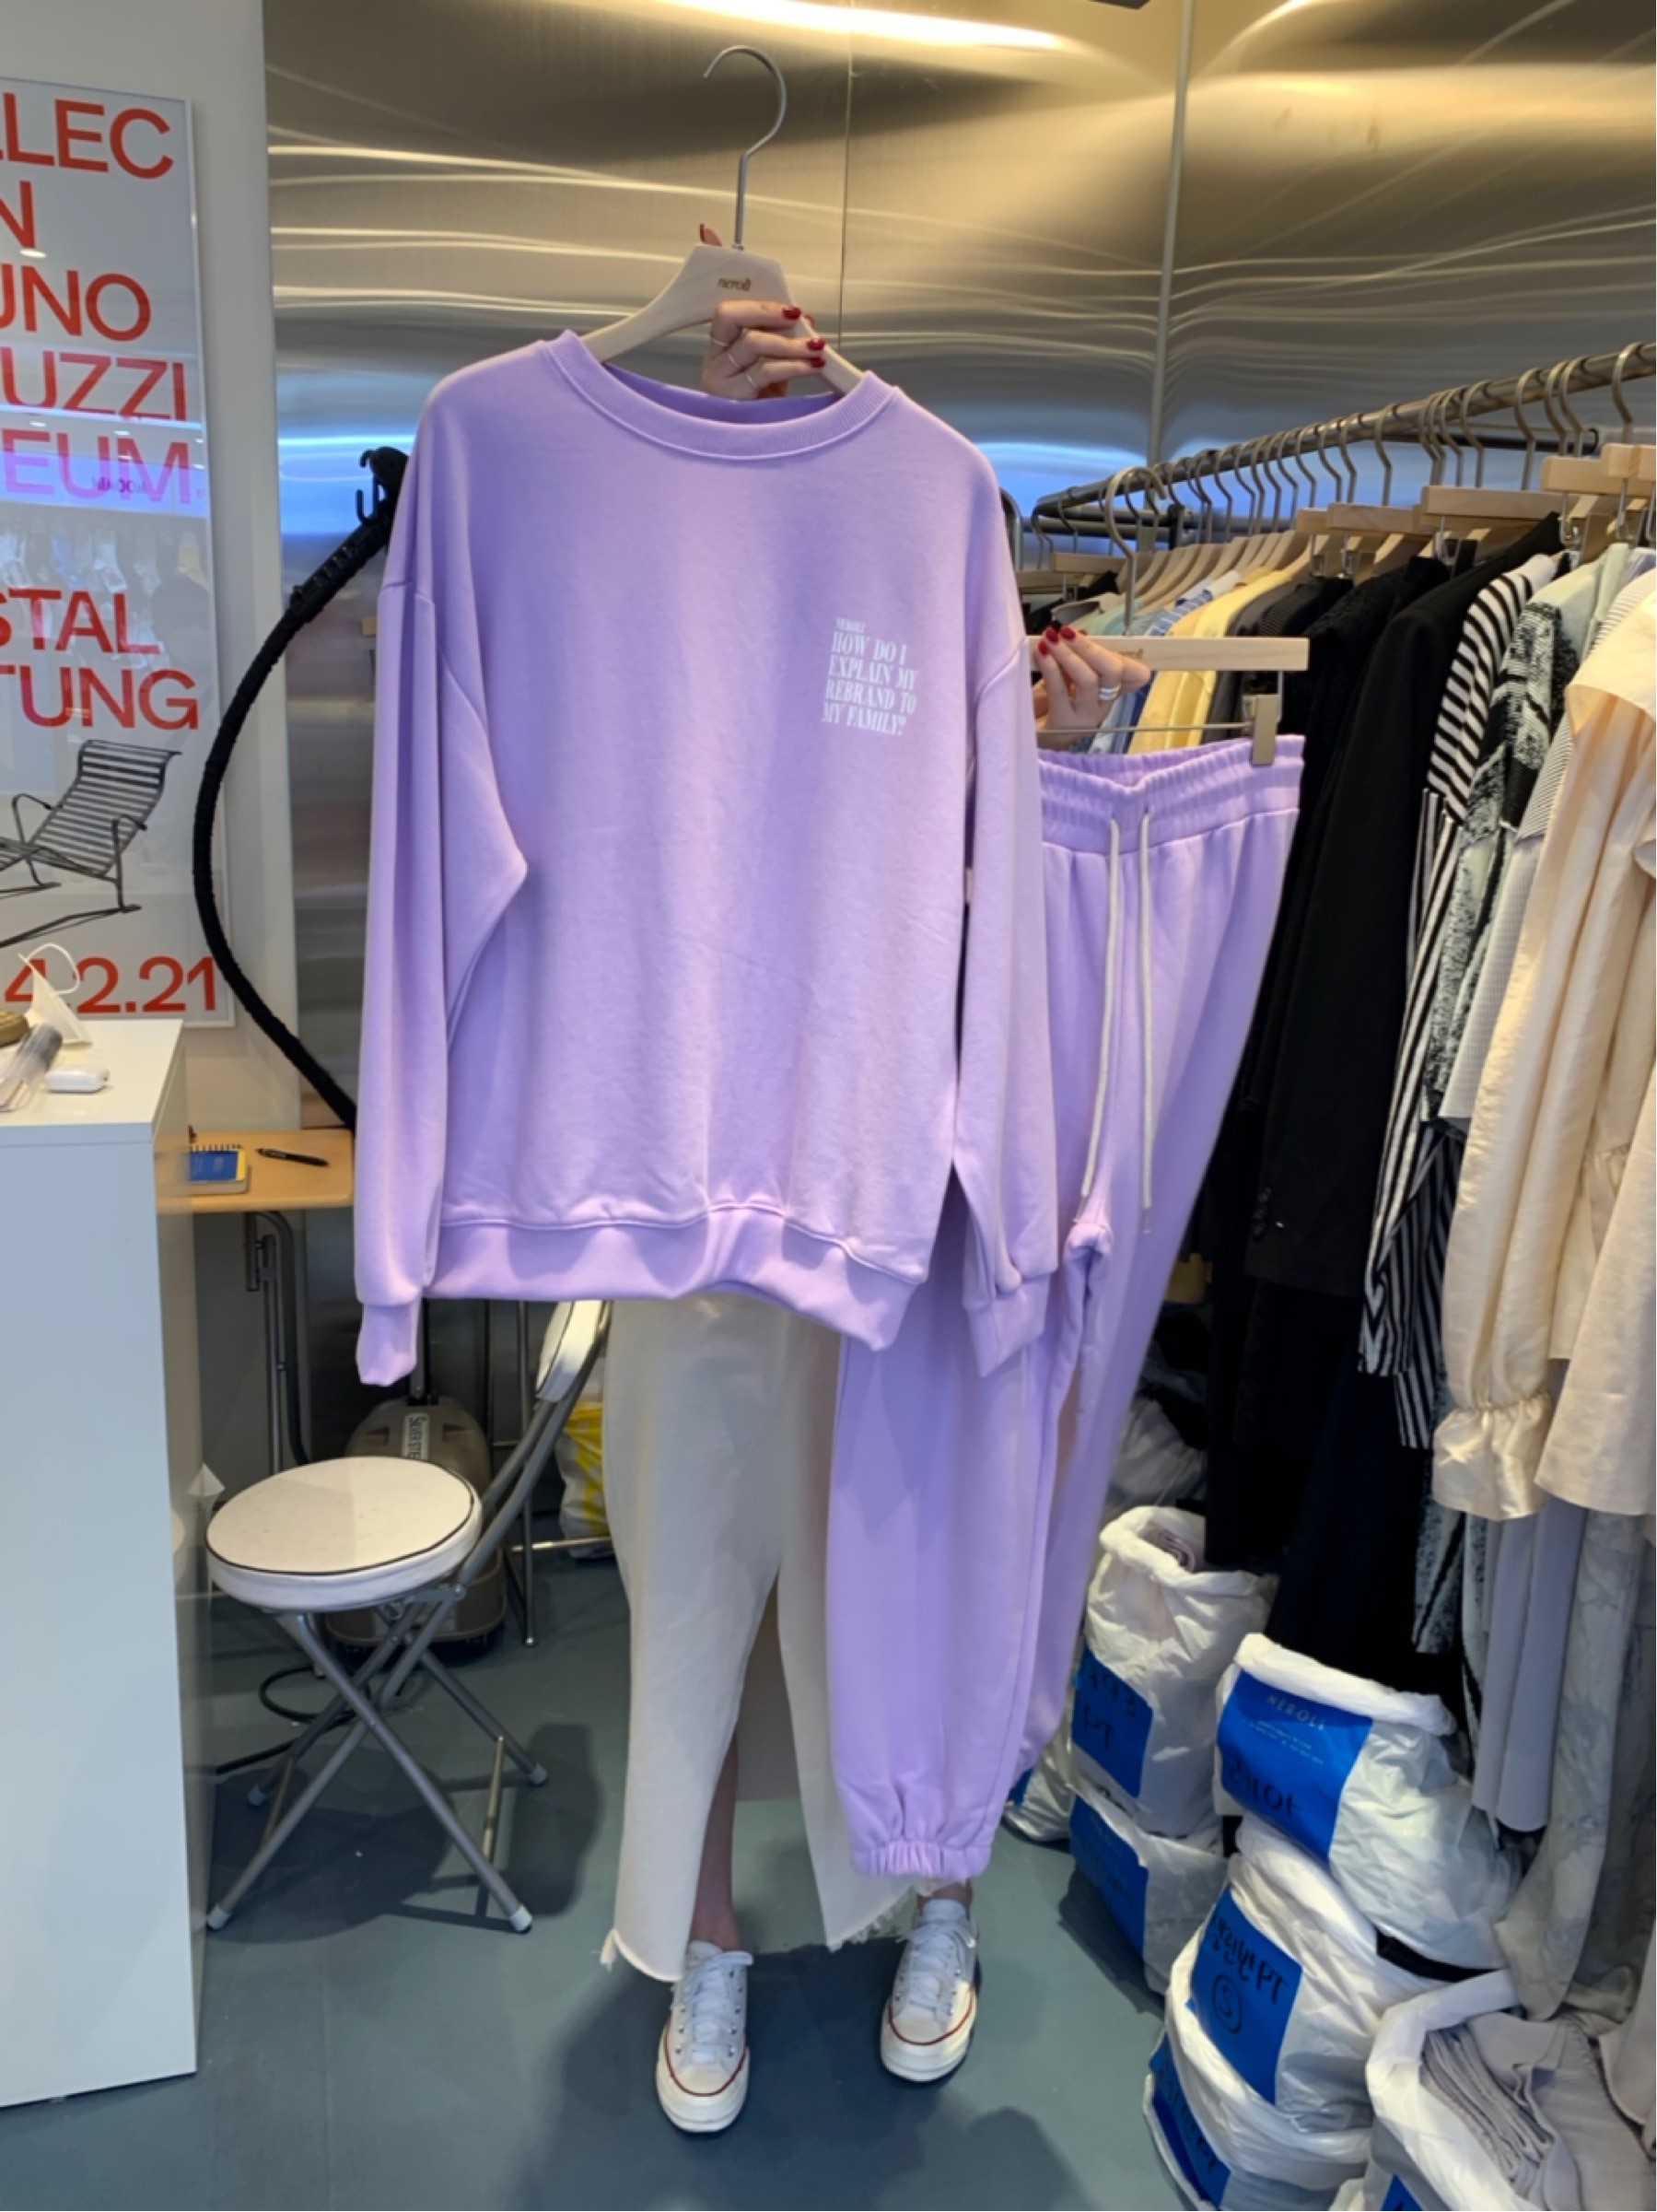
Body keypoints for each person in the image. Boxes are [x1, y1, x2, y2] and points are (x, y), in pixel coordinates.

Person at [623, 264, 1150, 2136]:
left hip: (907, 1188)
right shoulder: (665, 559)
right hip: (702, 1178)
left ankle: (942, 1903)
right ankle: (704, 1934)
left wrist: (1054, 762)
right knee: (696, 1578)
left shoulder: (932, 533)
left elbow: (981, 888)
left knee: (926, 1557)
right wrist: (710, 444)